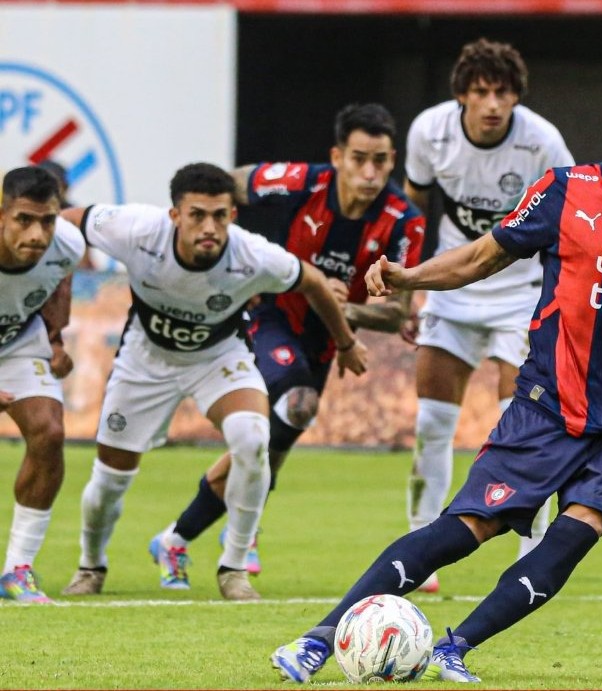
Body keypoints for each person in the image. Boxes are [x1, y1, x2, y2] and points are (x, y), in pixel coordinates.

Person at [269, 76, 602, 684]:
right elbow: (483, 256)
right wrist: (409, 278)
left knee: (570, 539)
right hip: (543, 410)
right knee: (462, 532)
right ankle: (317, 642)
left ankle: (453, 649)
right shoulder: (566, 192)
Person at [59, 162, 367, 601]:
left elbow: (314, 282)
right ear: (174, 215)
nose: (210, 227)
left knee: (252, 437)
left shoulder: (252, 254)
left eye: (219, 216)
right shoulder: (134, 228)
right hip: (145, 360)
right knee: (109, 479)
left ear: (232, 217)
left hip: (218, 356)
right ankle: (91, 566)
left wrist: (346, 342)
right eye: (197, 215)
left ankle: (234, 569)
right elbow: (70, 223)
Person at [151, 103, 425, 583]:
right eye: (359, 158)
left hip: (326, 339)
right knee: (293, 405)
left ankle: (176, 537)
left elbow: (396, 314)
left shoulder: (404, 221)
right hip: (271, 313)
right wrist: (226, 240)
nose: (369, 172)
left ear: (392, 159)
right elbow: (229, 181)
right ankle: (241, 527)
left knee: (269, 450)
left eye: (380, 161)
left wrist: (342, 310)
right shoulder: (301, 182)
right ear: (337, 156)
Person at [401, 38, 574, 592]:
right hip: (452, 293)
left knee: (520, 425)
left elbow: (573, 222)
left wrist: (559, 302)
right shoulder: (429, 132)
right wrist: (408, 290)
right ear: (461, 96)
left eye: (503, 93)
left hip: (519, 295)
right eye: (481, 92)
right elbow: (413, 209)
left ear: (516, 97)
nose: (493, 103)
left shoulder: (542, 141)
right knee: (431, 424)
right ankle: (420, 539)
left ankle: (532, 551)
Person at [0, 166, 85, 603]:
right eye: (24, 220)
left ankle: (17, 569)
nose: (38, 233)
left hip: (15, 339)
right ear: (1, 215)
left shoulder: (66, 243)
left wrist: (54, 336)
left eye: (47, 221)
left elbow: (59, 275)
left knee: (49, 432)